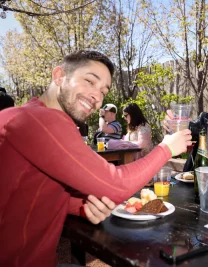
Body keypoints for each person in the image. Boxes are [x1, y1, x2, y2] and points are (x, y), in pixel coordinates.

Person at [0, 50, 192, 266]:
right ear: (59, 76)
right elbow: (115, 184)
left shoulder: (20, 116)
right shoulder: (40, 120)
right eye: (89, 81)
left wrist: (80, 206)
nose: (97, 98)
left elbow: (27, 193)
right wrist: (166, 148)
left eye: (103, 91)